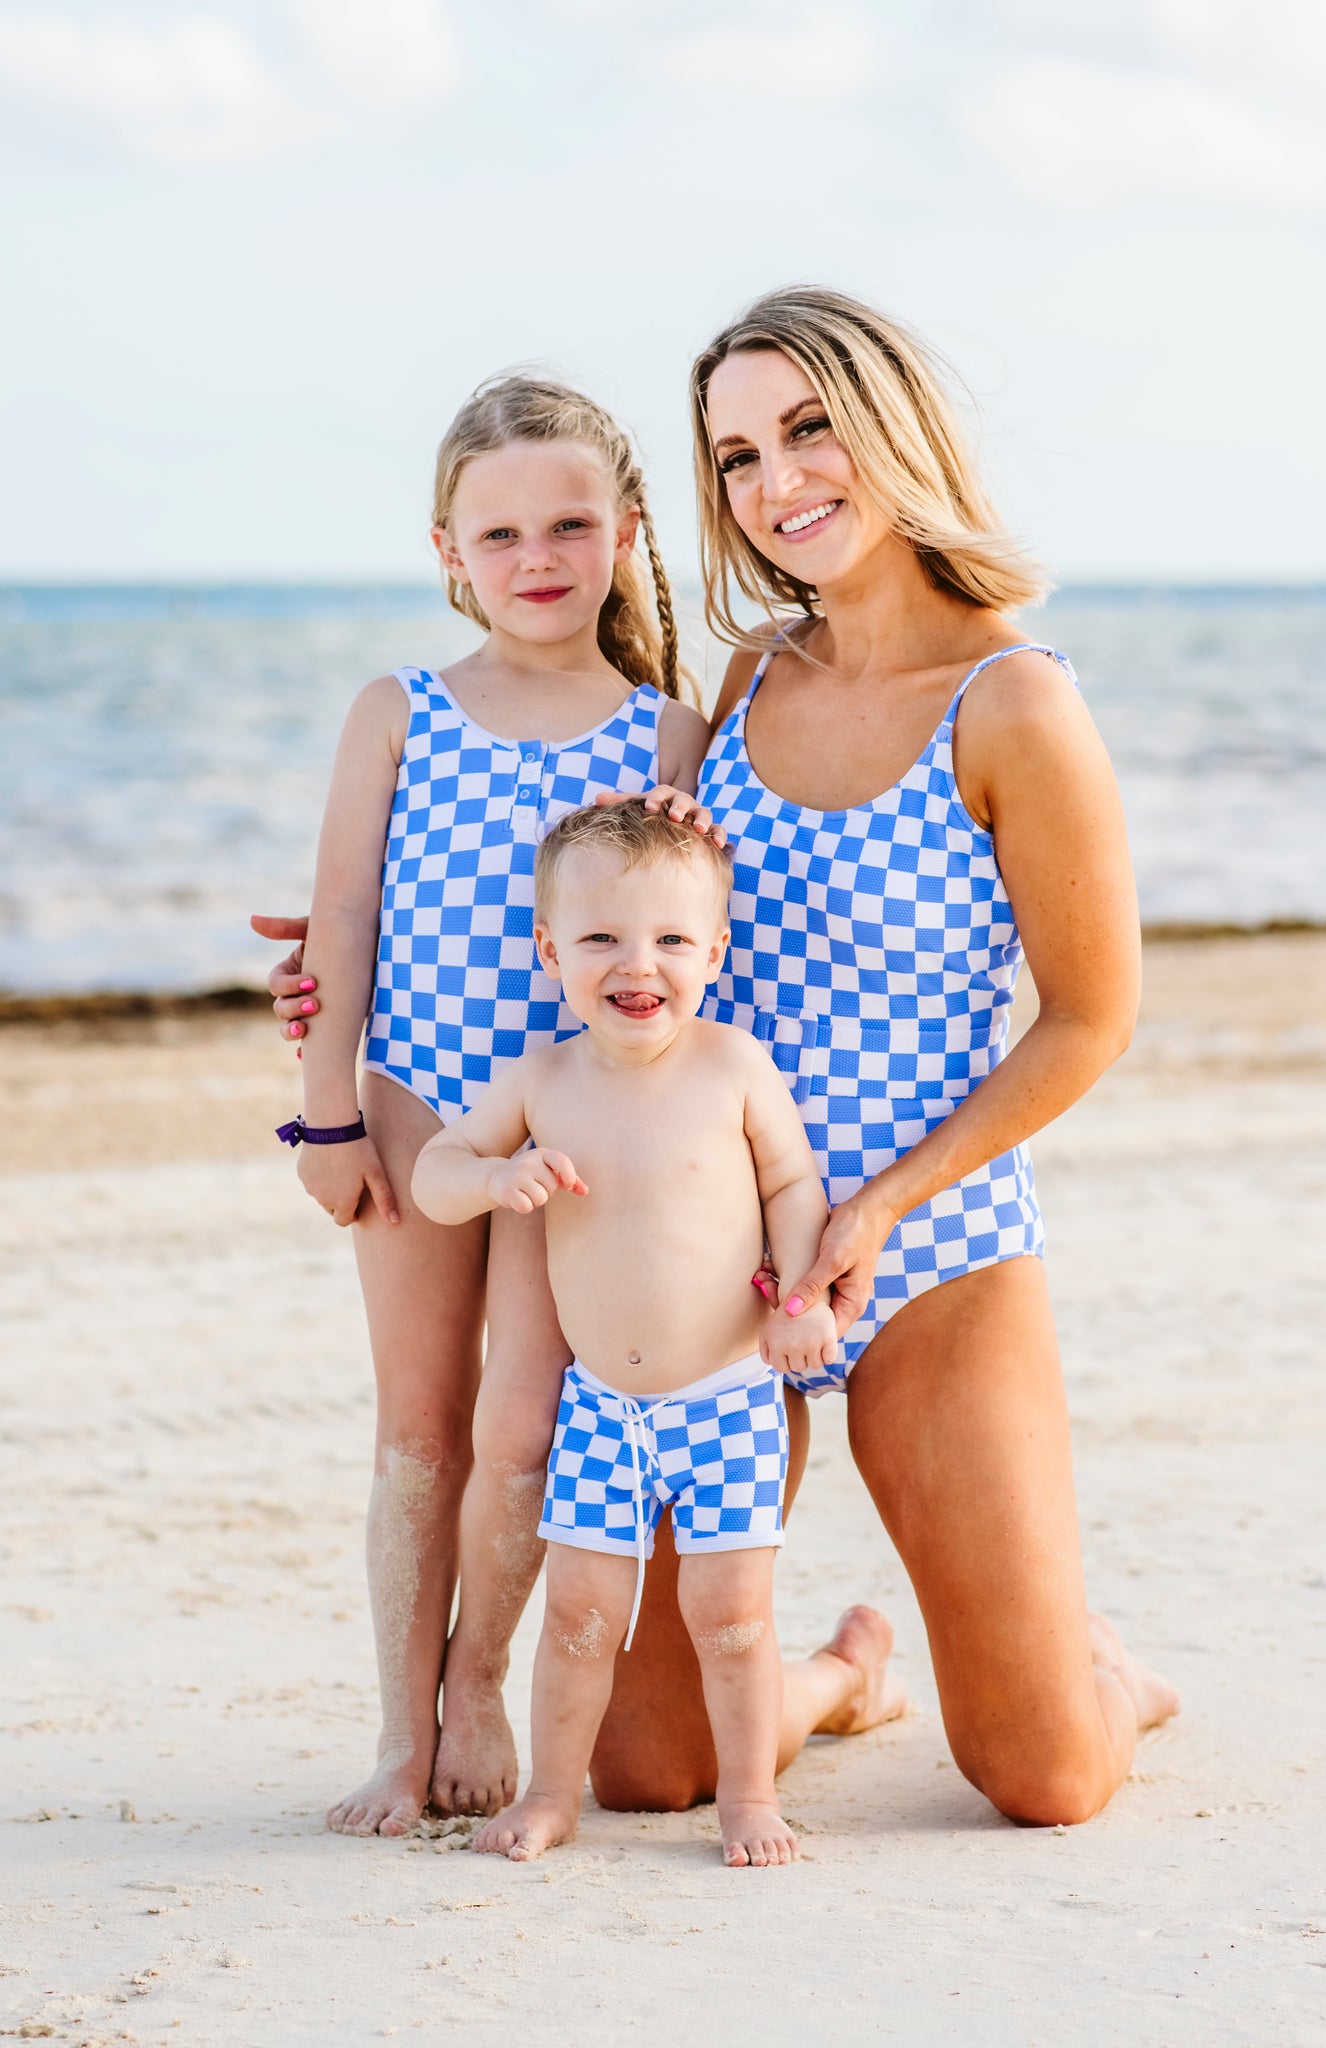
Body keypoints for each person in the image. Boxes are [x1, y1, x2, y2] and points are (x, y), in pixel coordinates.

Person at [268, 284, 1179, 1828]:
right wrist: (369, 944)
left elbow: (1090, 1016)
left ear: (896, 427)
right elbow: (633, 900)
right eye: (738, 456)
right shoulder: (750, 676)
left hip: (921, 1246)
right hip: (699, 1263)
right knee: (645, 1771)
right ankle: (836, 1679)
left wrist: (874, 1206)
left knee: (1040, 1777)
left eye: (809, 429)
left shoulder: (1011, 699)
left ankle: (1101, 1673)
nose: (775, 480)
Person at [262, 374, 714, 1836]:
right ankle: (401, 1737)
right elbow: (342, 914)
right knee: (419, 1430)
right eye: (500, 532)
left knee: (520, 1432)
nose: (537, 558)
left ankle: (478, 1680)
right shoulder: (398, 710)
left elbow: (692, 930)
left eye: (569, 525)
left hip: (571, 1129)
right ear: (447, 550)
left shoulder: (665, 731)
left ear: (625, 533)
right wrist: (325, 1114)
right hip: (410, 1104)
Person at [410, 799, 894, 1866]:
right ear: (550, 951)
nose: (639, 964)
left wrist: (800, 1300)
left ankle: (748, 1799)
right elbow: (434, 1172)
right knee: (578, 1612)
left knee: (731, 1613)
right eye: (600, 937)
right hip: (601, 1410)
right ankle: (551, 1795)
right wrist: (494, 1176)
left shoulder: (731, 1065)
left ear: (714, 952)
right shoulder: (544, 1081)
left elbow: (791, 1184)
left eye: (673, 938)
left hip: (726, 1398)